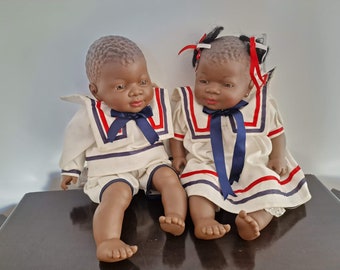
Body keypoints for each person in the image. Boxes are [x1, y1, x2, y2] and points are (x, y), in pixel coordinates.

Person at [170, 26, 311, 241]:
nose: (212, 89)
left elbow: (277, 133)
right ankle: (204, 221)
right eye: (204, 81)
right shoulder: (189, 105)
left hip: (252, 162)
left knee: (270, 186)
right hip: (206, 162)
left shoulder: (260, 105)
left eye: (226, 84)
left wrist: (277, 157)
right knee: (199, 184)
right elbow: (178, 134)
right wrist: (178, 156)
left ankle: (255, 220)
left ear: (248, 88)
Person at [59, 35, 187, 262]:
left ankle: (176, 218)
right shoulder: (92, 114)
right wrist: (71, 170)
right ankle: (107, 240)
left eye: (143, 81)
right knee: (117, 195)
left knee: (169, 178)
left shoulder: (156, 101)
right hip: (113, 170)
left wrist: (177, 155)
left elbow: (174, 130)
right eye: (121, 86)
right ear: (96, 91)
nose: (137, 91)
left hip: (150, 163)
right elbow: (75, 140)